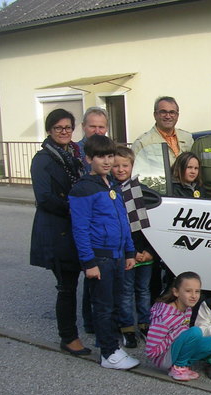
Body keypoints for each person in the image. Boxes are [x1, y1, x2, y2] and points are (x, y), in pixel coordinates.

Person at [69, 134, 139, 370]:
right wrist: (89, 263)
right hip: (100, 256)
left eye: (110, 156)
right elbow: (80, 229)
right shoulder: (83, 189)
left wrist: (130, 251)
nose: (107, 161)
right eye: (101, 156)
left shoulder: (113, 185)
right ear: (89, 158)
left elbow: (124, 221)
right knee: (104, 306)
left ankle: (114, 346)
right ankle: (108, 353)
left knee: (117, 303)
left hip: (118, 255)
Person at [29, 109, 90, 356]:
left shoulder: (74, 155)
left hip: (73, 227)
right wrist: (76, 209)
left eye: (67, 127)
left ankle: (79, 329)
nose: (64, 132)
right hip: (57, 229)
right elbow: (44, 198)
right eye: (58, 128)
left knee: (74, 279)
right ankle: (68, 337)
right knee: (66, 284)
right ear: (49, 131)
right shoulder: (43, 159)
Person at [111, 145, 156, 347]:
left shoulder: (139, 191)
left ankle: (145, 324)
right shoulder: (111, 191)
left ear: (132, 166)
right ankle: (127, 328)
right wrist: (131, 252)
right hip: (126, 253)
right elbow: (120, 228)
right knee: (126, 291)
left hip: (145, 253)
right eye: (116, 166)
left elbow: (147, 225)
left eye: (125, 165)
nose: (120, 169)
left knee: (143, 290)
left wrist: (148, 252)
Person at [145, 272, 211, 381]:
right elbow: (151, 351)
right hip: (163, 358)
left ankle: (182, 365)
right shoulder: (165, 318)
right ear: (176, 292)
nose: (194, 296)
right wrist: (175, 335)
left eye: (197, 291)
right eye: (188, 291)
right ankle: (178, 367)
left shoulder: (187, 309)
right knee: (195, 332)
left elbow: (183, 335)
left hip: (174, 350)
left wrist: (179, 336)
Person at [76, 107, 109, 335]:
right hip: (90, 232)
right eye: (92, 126)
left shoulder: (107, 151)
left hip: (107, 234)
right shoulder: (76, 154)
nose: (97, 130)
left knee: (104, 285)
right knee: (92, 279)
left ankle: (102, 322)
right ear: (84, 127)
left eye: (101, 126)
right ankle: (92, 324)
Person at [131, 96, 193, 169]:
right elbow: (136, 174)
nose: (168, 116)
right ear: (155, 115)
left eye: (172, 112)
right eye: (163, 112)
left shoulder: (187, 138)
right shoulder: (142, 143)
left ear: (177, 115)